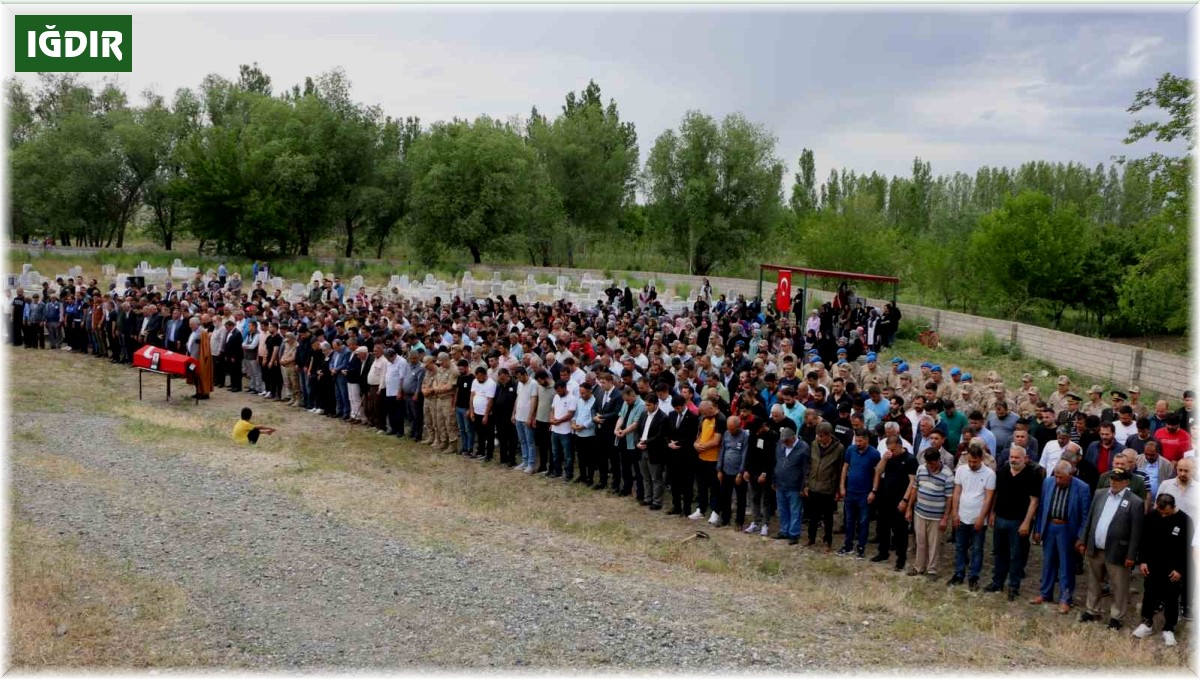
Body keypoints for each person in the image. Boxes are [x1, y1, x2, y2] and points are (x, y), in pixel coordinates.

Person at [1078, 468, 1143, 630]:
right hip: (1096, 548)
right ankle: (1092, 610)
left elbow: (1136, 532)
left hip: (1118, 551)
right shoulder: (1100, 494)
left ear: (1126, 482)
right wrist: (1083, 540)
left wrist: (1131, 555)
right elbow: (1090, 519)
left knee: (1119, 585)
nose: (1113, 482)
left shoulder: (1135, 502)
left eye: (1117, 480)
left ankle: (1116, 616)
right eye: (1111, 479)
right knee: (1094, 581)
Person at [1031, 460, 1092, 614]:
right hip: (1050, 526)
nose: (1058, 480)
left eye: (1061, 478)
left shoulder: (1082, 488)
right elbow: (1042, 507)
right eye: (1056, 476)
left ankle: (1065, 599)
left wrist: (1080, 537)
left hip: (1067, 529)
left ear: (1070, 475)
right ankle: (1046, 593)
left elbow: (1085, 516)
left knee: (1066, 566)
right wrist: (1038, 529)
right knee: (1048, 562)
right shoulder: (1048, 482)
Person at [1132, 493, 1192, 647]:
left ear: (1173, 507)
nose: (1163, 515)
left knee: (1172, 597)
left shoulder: (1184, 520)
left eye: (1166, 513)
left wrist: (1180, 569)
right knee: (1149, 594)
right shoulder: (1151, 517)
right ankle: (1146, 623)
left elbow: (1188, 549)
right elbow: (1144, 540)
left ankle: (1169, 628)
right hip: (1152, 565)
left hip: (1173, 568)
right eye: (1161, 512)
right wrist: (1143, 561)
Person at [987, 445, 1041, 600]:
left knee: (1016, 555)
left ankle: (1013, 587)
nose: (1013, 460)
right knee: (999, 553)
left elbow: (1034, 501)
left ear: (1025, 458)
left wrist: (1026, 522)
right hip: (1000, 518)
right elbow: (996, 494)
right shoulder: (1003, 472)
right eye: (1011, 457)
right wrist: (992, 513)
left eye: (1017, 457)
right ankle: (997, 582)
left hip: (1018, 521)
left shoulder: (1032, 475)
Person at [949, 446, 996, 590]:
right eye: (969, 461)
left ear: (981, 459)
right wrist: (954, 512)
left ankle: (974, 576)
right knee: (960, 547)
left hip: (978, 518)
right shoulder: (962, 470)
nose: (971, 464)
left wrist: (982, 518)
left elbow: (988, 498)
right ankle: (959, 573)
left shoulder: (989, 474)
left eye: (974, 462)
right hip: (962, 515)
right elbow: (957, 492)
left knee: (977, 549)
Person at [870, 435, 917, 571]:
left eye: (893, 449)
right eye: (889, 448)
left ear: (900, 446)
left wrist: (905, 500)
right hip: (885, 497)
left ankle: (901, 559)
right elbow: (878, 471)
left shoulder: (910, 460)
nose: (891, 451)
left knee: (900, 531)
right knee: (883, 526)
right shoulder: (889, 458)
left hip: (900, 499)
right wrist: (884, 459)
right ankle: (883, 552)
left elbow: (912, 482)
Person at [838, 429, 881, 559]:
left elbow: (877, 473)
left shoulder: (874, 454)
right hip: (850, 491)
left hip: (864, 493)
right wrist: (842, 486)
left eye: (860, 441)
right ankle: (848, 545)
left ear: (867, 440)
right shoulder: (850, 450)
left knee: (863, 521)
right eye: (856, 440)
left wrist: (873, 491)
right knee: (849, 520)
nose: (858, 443)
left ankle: (861, 547)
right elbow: (845, 467)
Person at [635, 392, 668, 509]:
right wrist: (638, 442)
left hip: (654, 451)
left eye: (649, 405)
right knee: (646, 477)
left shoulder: (663, 417)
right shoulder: (644, 414)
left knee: (656, 478)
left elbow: (660, 436)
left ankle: (657, 501)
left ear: (656, 404)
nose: (647, 407)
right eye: (646, 405)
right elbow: (638, 430)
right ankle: (647, 498)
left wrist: (645, 443)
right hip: (642, 448)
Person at [715, 415, 750, 529]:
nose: (730, 431)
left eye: (732, 429)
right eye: (728, 428)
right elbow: (722, 450)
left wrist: (741, 472)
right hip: (726, 470)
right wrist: (719, 469)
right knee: (725, 496)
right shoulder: (726, 434)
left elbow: (745, 455)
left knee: (741, 498)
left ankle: (739, 521)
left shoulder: (745, 436)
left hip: (738, 472)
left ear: (738, 426)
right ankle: (725, 519)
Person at [470, 367, 498, 462]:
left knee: (489, 435)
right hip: (476, 412)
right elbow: (472, 396)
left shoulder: (491, 384)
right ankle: (480, 451)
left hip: (487, 414)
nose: (479, 380)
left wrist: (486, 415)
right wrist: (471, 411)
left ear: (485, 375)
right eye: (478, 378)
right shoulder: (475, 381)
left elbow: (490, 400)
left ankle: (489, 454)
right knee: (479, 433)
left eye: (481, 378)